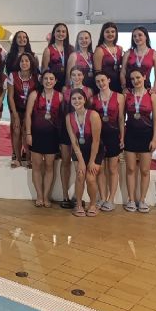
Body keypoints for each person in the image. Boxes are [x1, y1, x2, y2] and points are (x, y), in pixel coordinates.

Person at [122, 68, 156, 213]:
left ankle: (142, 200)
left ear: (144, 77)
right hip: (130, 135)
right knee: (131, 169)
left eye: (138, 77)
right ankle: (131, 200)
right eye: (132, 79)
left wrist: (154, 139)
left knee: (144, 170)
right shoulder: (127, 96)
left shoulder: (153, 96)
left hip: (146, 135)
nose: (135, 81)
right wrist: (122, 137)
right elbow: (122, 118)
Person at [25, 70, 62, 208]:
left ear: (55, 81)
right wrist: (28, 134)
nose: (48, 81)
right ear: (42, 80)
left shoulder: (60, 96)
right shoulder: (35, 94)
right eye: (46, 78)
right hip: (36, 135)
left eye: (51, 79)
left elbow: (62, 120)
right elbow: (28, 115)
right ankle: (39, 195)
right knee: (37, 166)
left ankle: (46, 196)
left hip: (52, 137)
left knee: (49, 166)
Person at [58, 66, 93, 209]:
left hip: (83, 132)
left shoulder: (88, 91)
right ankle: (65, 196)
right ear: (70, 76)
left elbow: (90, 110)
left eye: (79, 74)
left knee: (80, 164)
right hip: (66, 129)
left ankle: (78, 196)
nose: (76, 77)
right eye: (74, 75)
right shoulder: (65, 90)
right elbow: (62, 110)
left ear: (83, 76)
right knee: (66, 161)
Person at [66, 88, 102, 217]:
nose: (77, 101)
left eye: (79, 98)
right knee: (80, 175)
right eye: (74, 99)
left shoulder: (93, 115)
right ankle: (79, 205)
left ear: (85, 99)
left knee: (90, 178)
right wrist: (81, 161)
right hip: (79, 151)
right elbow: (74, 141)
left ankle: (92, 205)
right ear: (70, 101)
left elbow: (96, 141)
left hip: (95, 150)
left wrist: (91, 161)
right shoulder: (69, 117)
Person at [92, 72, 124, 212]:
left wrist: (122, 137)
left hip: (113, 136)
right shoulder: (93, 99)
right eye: (98, 81)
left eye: (103, 80)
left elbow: (121, 119)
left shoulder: (119, 97)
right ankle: (102, 197)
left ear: (109, 80)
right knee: (100, 170)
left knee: (112, 169)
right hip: (99, 137)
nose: (101, 83)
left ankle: (111, 199)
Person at [7, 52, 37, 168]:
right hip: (17, 109)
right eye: (22, 61)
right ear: (18, 63)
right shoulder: (13, 75)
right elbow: (10, 97)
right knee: (16, 130)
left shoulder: (36, 77)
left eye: (27, 61)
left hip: (30, 111)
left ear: (31, 63)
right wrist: (15, 116)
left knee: (26, 132)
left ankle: (29, 158)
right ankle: (17, 158)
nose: (24, 63)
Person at [122, 26, 156, 92]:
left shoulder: (155, 54)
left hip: (146, 87)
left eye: (140, 35)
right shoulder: (127, 53)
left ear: (146, 36)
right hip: (129, 88)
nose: (137, 38)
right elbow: (123, 72)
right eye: (134, 36)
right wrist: (124, 88)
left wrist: (155, 88)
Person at [94, 22, 124, 93]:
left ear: (116, 33)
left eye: (113, 32)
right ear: (103, 34)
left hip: (118, 82)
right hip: (105, 84)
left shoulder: (120, 48)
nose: (110, 34)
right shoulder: (99, 50)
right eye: (107, 32)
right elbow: (97, 72)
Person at [41, 23, 72, 90]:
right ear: (54, 33)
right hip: (52, 84)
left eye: (63, 31)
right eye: (58, 31)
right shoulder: (48, 50)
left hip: (68, 83)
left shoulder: (71, 49)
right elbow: (44, 70)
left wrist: (68, 83)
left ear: (66, 34)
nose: (61, 33)